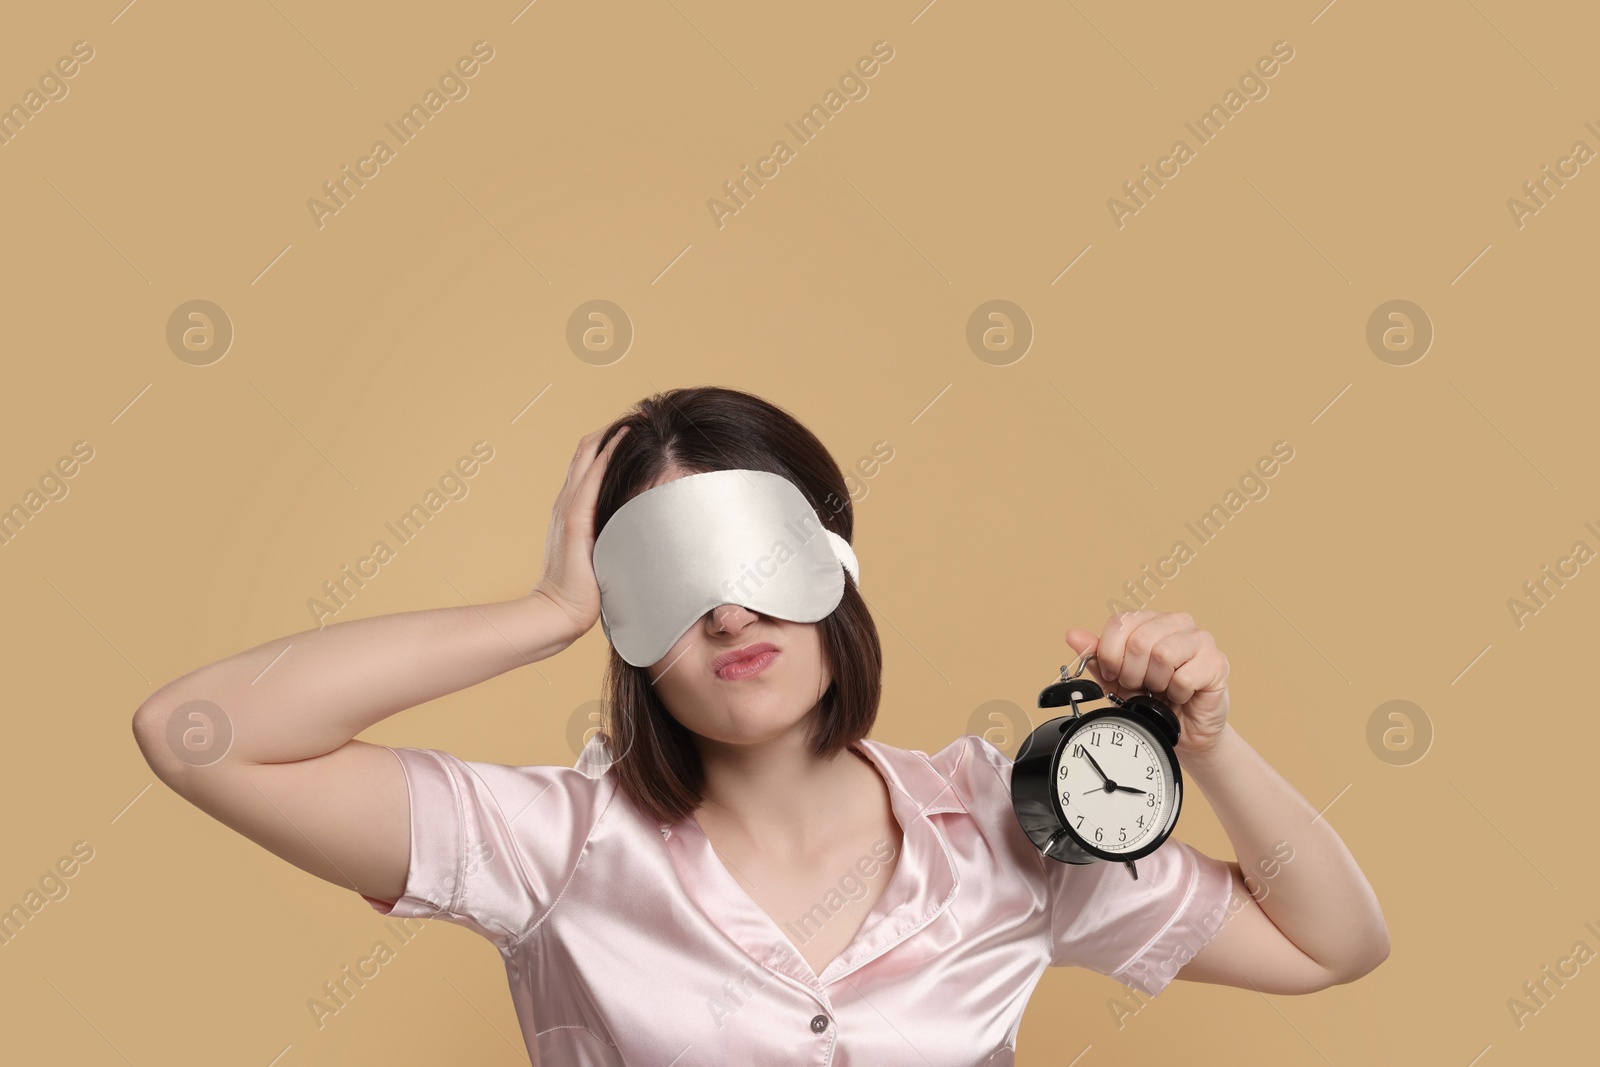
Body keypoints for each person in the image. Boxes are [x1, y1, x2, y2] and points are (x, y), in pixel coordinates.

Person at [132, 386, 1389, 1064]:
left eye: (756, 552)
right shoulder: (549, 844)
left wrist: (1207, 739)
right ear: (628, 629)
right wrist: (541, 612)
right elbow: (196, 730)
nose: (728, 602)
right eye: (666, 575)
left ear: (833, 563)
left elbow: (1332, 941)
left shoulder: (1014, 833)